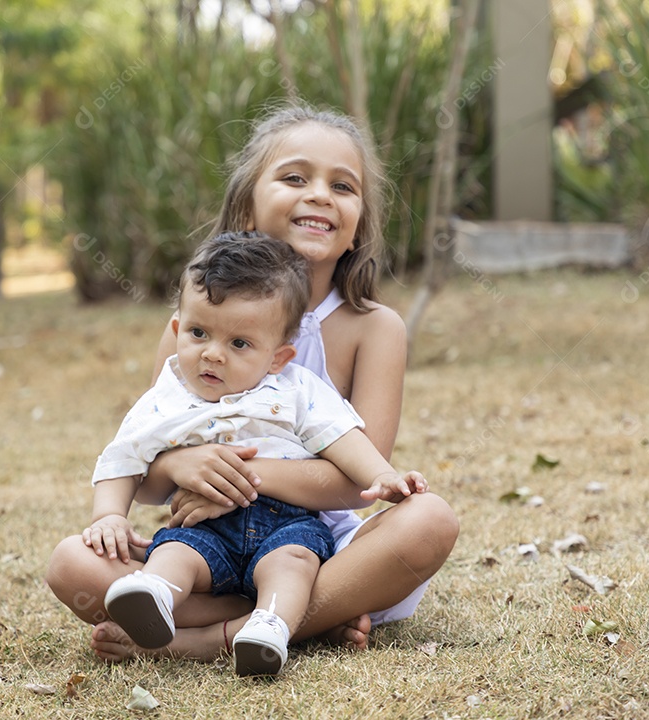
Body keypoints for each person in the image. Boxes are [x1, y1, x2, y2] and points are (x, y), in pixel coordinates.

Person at [46, 103, 459, 663]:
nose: (319, 195)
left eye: (343, 186)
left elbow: (355, 483)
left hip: (323, 552)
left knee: (430, 520)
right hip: (204, 546)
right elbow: (148, 458)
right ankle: (303, 621)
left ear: (359, 219)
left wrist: (247, 475)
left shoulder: (374, 328)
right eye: (294, 177)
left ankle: (208, 640)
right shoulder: (193, 330)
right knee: (73, 563)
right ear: (246, 205)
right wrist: (176, 466)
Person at [85, 232, 428, 676]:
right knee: (174, 554)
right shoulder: (166, 398)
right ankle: (155, 596)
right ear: (176, 330)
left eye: (239, 344)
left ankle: (267, 626)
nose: (212, 354)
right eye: (198, 333)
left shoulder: (296, 390)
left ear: (278, 358)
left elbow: (340, 436)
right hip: (205, 526)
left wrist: (382, 476)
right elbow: (125, 457)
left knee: (294, 562)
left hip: (286, 522)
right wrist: (108, 515)